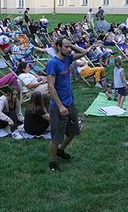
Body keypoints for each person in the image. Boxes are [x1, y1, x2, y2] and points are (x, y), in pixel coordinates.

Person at [46, 37, 86, 172]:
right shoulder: (53, 63)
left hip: (70, 102)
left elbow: (84, 52)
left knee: (73, 132)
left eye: (70, 47)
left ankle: (60, 151)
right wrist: (60, 106)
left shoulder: (68, 58)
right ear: (58, 47)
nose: (69, 49)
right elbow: (51, 87)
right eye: (66, 47)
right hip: (58, 106)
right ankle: (52, 162)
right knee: (56, 137)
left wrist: (71, 45)